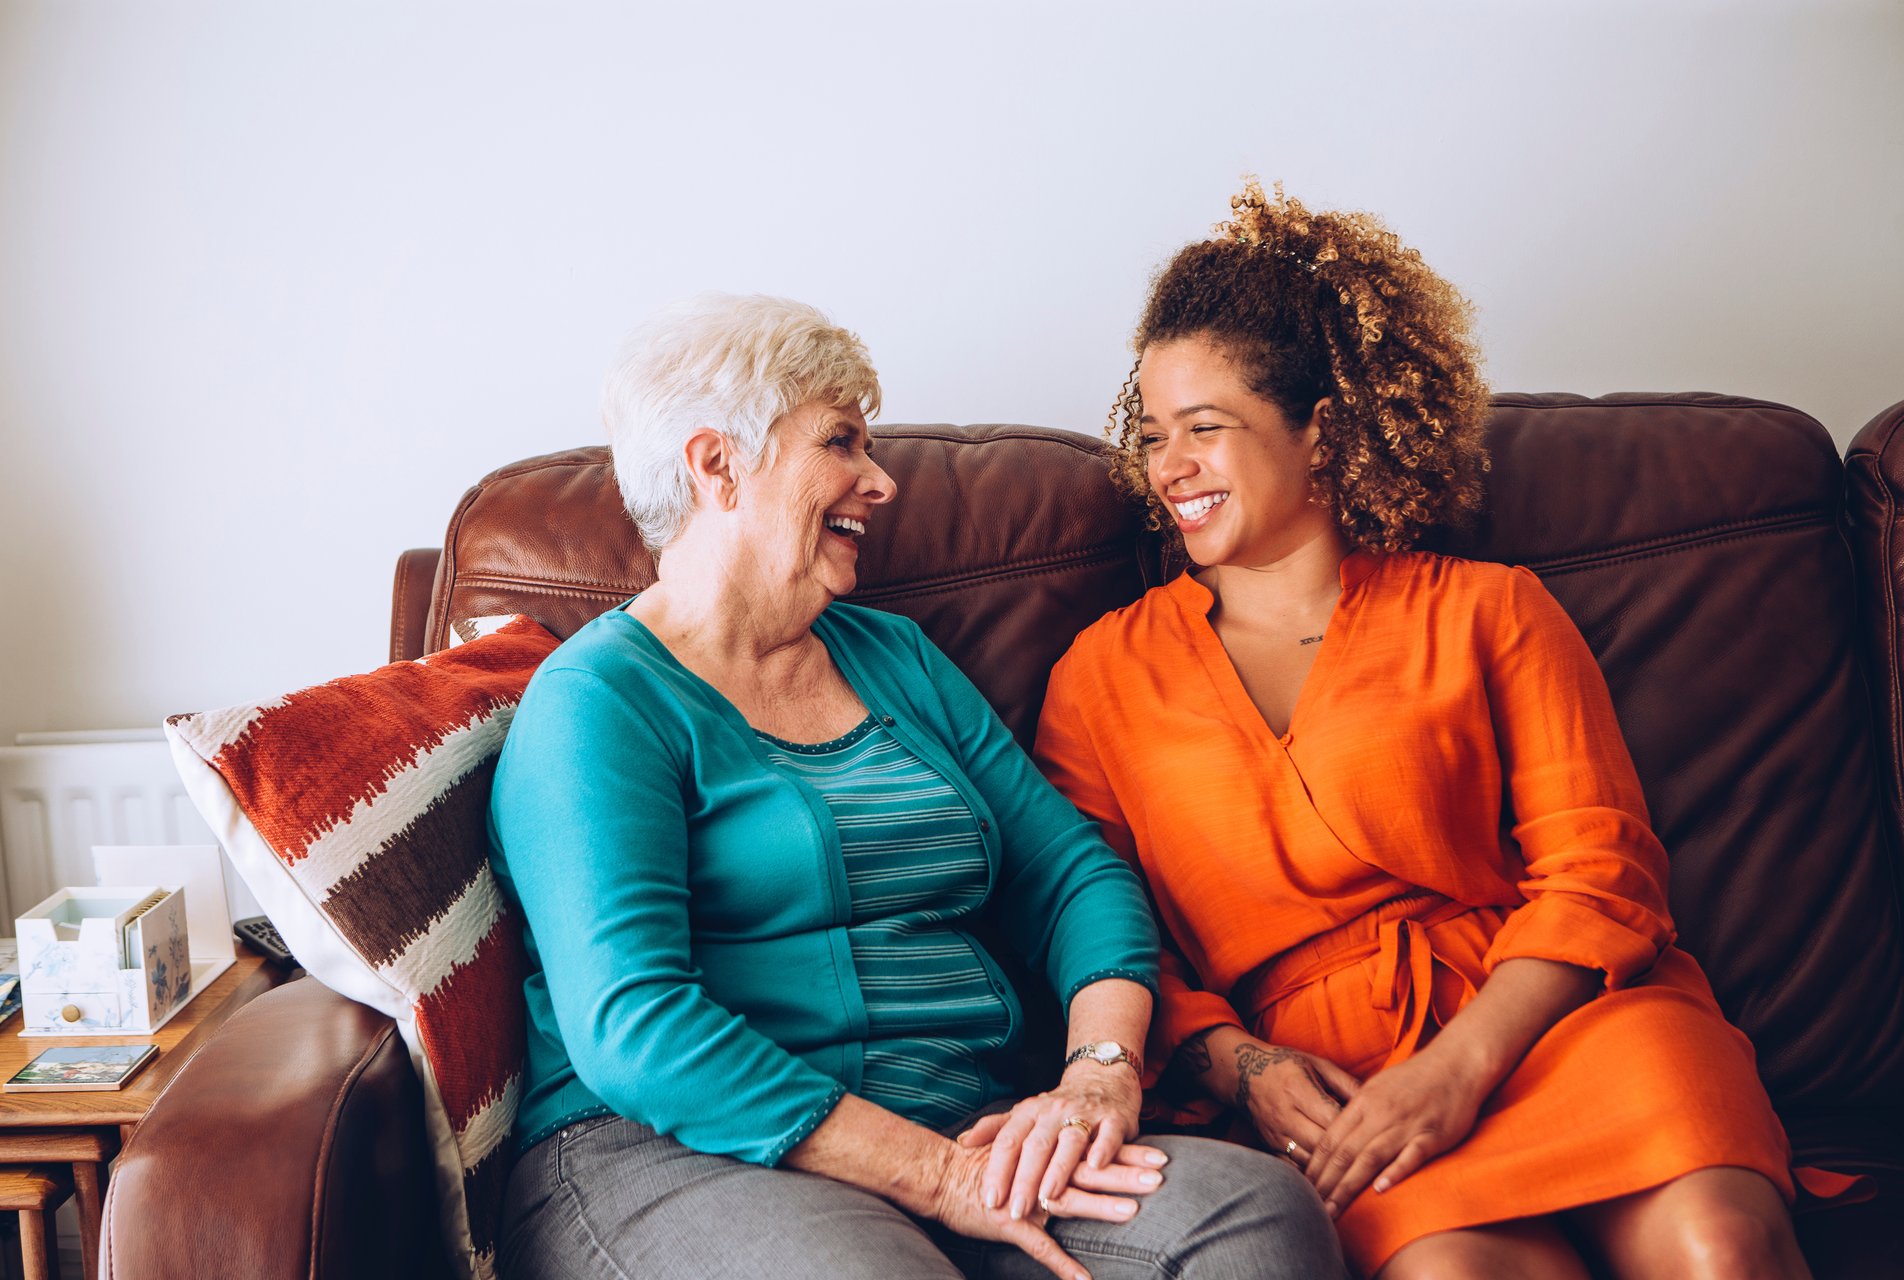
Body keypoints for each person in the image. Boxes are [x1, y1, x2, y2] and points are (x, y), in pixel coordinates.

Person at [1033, 184, 1836, 1279]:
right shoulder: (1100, 676)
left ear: (1320, 430)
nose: (1169, 464)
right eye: (1155, 431)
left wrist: (1459, 1067)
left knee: (1720, 1245)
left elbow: (1601, 871)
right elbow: (1104, 932)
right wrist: (1246, 1066)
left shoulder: (1488, 607)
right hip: (1333, 1084)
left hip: (1552, 1026)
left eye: (1207, 428)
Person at [488, 294, 1343, 1280]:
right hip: (677, 1153)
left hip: (965, 1126)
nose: (879, 480)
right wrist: (936, 1176)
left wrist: (1097, 1075)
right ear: (715, 464)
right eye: (841, 441)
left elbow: (1074, 875)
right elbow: (633, 1025)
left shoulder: (892, 655)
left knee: (1250, 1215)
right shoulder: (601, 702)